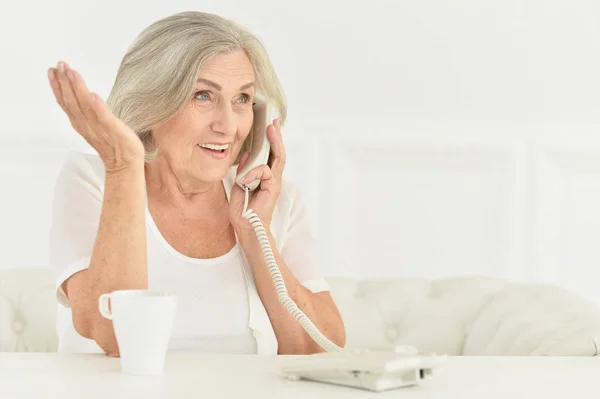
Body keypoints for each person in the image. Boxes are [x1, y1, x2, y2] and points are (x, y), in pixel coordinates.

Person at [47, 11, 346, 356]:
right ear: (151, 102)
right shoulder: (93, 180)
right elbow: (114, 334)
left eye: (243, 99)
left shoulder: (272, 202)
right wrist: (124, 167)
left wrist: (254, 234)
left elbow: (324, 351)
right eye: (203, 95)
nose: (229, 126)